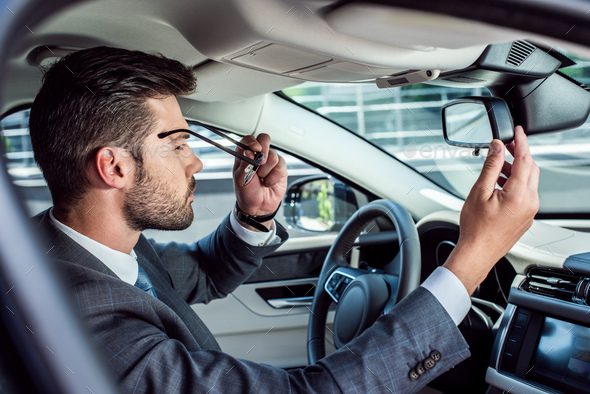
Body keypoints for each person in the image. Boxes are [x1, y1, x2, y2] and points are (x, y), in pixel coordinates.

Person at [29, 46, 539, 393]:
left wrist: (253, 216)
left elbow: (201, 274)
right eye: (180, 144)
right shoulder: (85, 324)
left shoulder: (93, 250)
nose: (197, 161)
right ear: (113, 166)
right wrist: (472, 260)